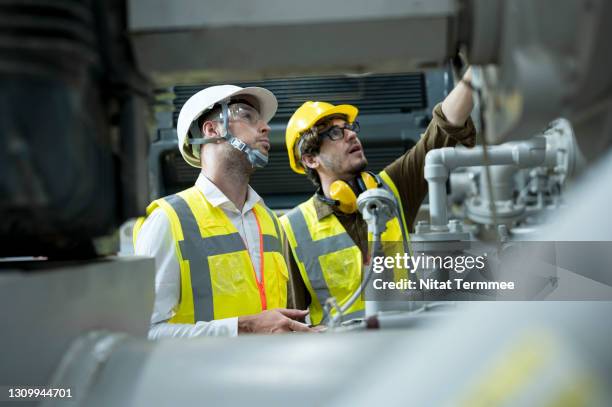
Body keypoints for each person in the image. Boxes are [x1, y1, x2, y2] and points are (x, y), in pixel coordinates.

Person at [280, 69, 476, 325]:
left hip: (405, 346)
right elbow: (292, 321)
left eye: (349, 128)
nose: (351, 134)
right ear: (310, 159)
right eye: (335, 133)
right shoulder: (292, 229)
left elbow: (441, 129)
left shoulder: (391, 190)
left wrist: (478, 71)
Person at [134, 85, 316, 337]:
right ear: (212, 129)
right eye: (247, 116)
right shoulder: (168, 220)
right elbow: (144, 333)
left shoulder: (270, 221)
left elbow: (272, 318)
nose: (265, 127)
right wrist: (244, 327)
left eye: (261, 120)